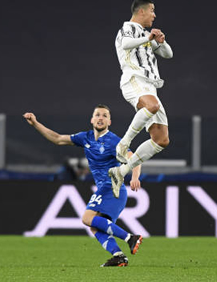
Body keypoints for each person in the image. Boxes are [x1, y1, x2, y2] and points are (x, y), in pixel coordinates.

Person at [23, 105, 143, 267]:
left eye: (104, 116)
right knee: (95, 227)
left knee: (87, 218)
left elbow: (133, 157)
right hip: (108, 190)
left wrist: (135, 177)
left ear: (109, 121)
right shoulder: (85, 138)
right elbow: (58, 139)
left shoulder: (114, 140)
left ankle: (130, 238)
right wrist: (36, 124)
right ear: (92, 119)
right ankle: (118, 255)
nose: (100, 118)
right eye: (97, 115)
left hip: (112, 188)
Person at [109, 0, 174, 198]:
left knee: (161, 140)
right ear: (142, 12)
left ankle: (121, 171)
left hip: (150, 86)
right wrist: (148, 38)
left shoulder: (147, 35)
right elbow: (127, 44)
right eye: (152, 10)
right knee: (152, 105)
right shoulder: (127, 29)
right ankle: (124, 143)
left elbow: (168, 54)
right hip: (133, 79)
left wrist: (159, 41)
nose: (155, 15)